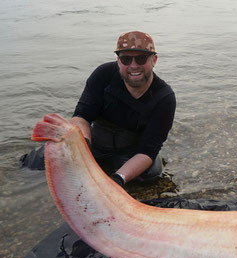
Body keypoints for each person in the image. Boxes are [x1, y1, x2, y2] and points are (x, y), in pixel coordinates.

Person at [21, 31, 176, 187]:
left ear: (154, 60)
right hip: (94, 145)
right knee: (35, 163)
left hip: (130, 153)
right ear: (118, 61)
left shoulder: (164, 98)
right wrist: (83, 148)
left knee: (151, 175)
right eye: (126, 59)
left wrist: (118, 179)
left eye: (141, 58)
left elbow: (147, 151)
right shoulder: (103, 75)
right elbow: (81, 116)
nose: (133, 65)